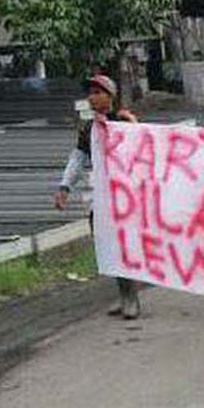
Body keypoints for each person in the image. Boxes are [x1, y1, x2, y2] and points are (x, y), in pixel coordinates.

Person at [54, 74, 143, 319]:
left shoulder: (124, 121)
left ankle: (131, 297)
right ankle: (122, 294)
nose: (92, 98)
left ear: (109, 96)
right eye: (90, 93)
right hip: (101, 197)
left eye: (97, 92)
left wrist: (134, 127)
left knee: (124, 245)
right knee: (107, 246)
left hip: (124, 197)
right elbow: (78, 158)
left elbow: (140, 151)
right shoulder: (89, 128)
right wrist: (64, 187)